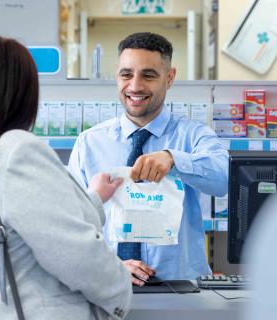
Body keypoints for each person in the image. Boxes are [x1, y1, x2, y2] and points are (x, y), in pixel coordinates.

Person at [0, 35, 132, 320]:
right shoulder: (17, 150)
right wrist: (121, 292)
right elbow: (76, 254)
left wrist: (95, 199)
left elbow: (20, 224)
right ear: (20, 93)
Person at [69, 32, 228, 284]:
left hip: (181, 287)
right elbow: (72, 222)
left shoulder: (193, 136)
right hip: (110, 283)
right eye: (126, 74)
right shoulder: (89, 143)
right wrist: (112, 265)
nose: (134, 86)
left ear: (170, 77)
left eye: (148, 75)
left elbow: (223, 178)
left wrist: (174, 159)